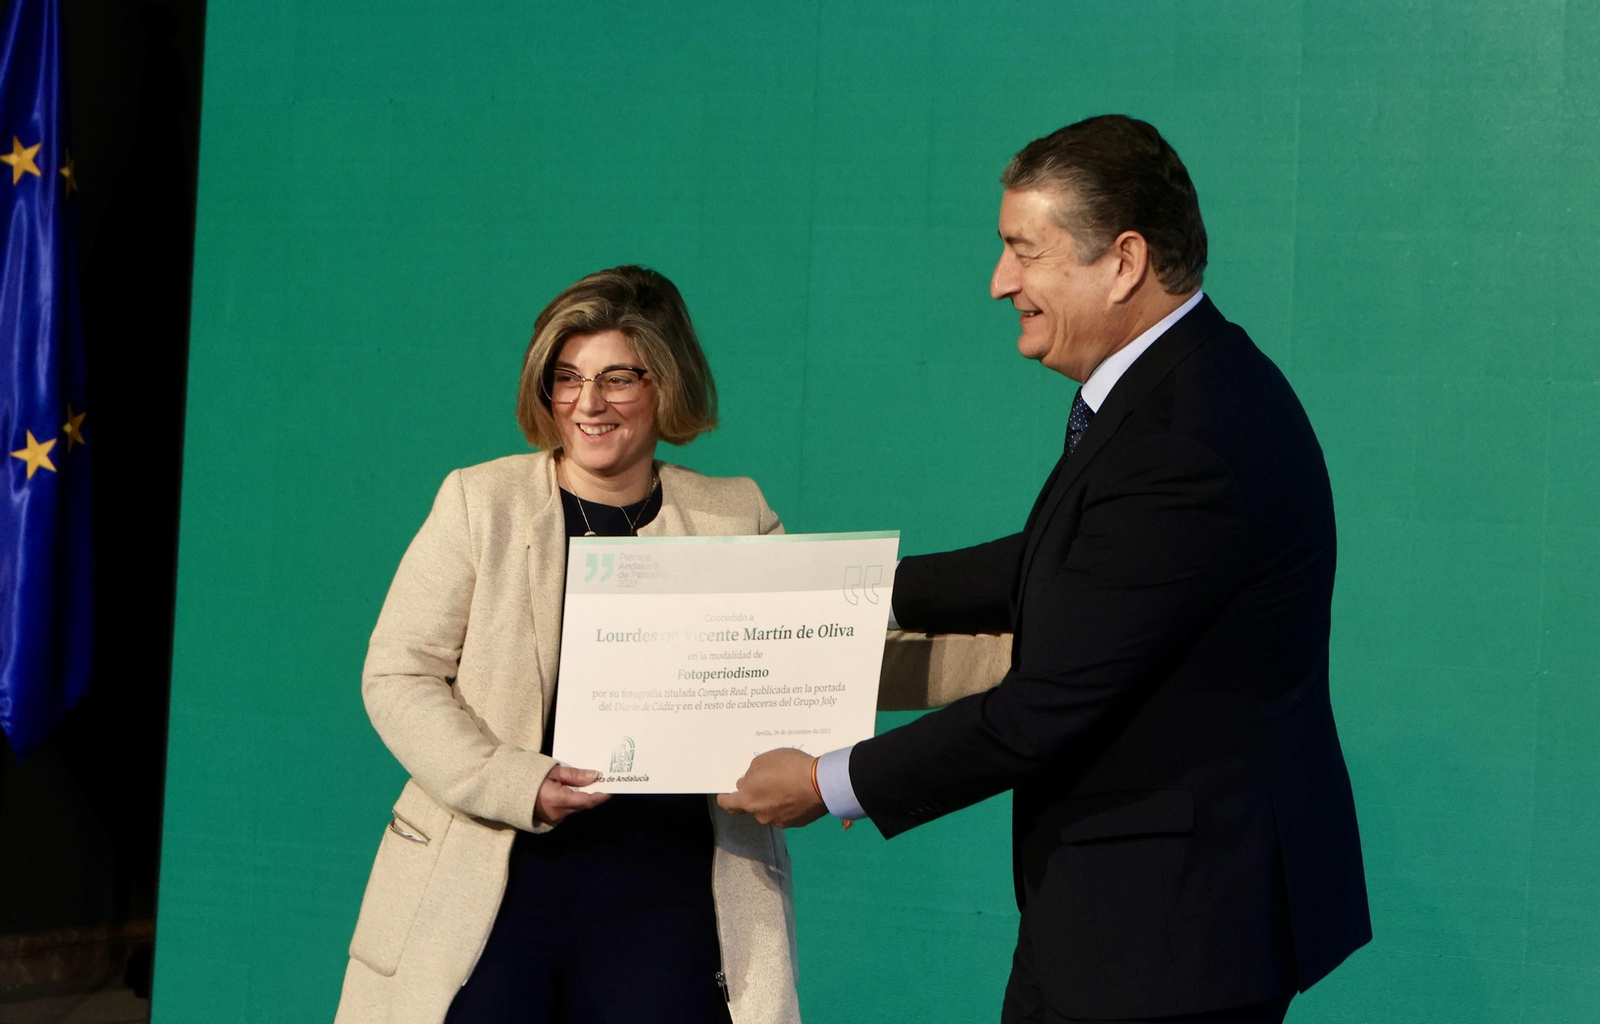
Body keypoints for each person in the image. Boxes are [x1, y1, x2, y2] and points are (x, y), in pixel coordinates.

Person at [720, 115, 1372, 1023]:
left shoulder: (1189, 436)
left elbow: (1046, 710)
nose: (999, 283)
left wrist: (830, 780)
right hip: (1140, 914)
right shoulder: (1178, 387)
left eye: (1024, 252)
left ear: (1124, 261)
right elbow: (1050, 562)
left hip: (1170, 934)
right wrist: (819, 592)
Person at [335, 266, 800, 1024]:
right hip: (493, 866)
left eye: (619, 378)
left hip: (669, 883)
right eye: (567, 377)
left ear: (666, 382)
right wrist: (513, 780)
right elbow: (398, 673)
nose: (589, 404)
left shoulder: (735, 514)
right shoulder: (479, 502)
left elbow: (808, 656)